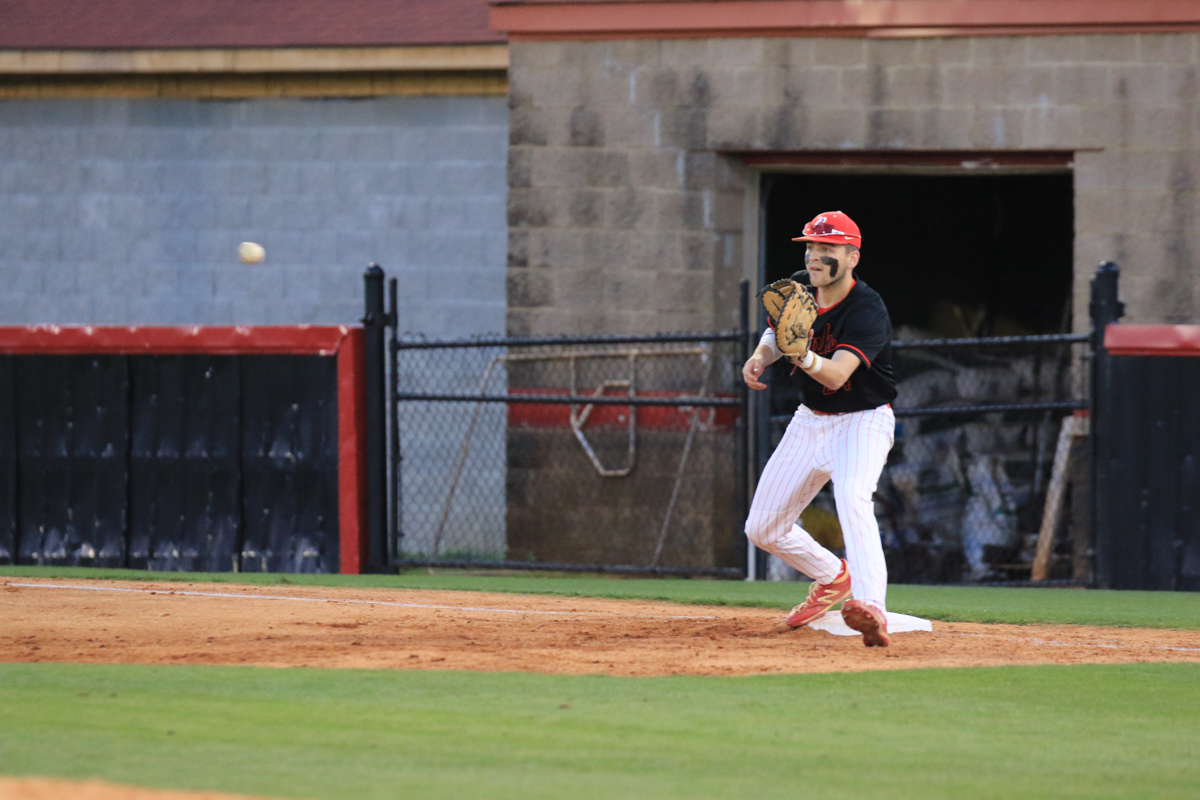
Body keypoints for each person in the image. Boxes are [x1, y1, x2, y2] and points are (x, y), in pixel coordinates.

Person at [742, 211, 898, 647]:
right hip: (810, 420)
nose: (814, 256)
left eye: (826, 248)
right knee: (762, 528)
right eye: (810, 246)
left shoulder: (867, 309)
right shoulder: (801, 285)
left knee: (852, 498)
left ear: (852, 257)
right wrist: (761, 356)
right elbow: (777, 332)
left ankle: (872, 606)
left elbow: (836, 374)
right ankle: (832, 576)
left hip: (863, 420)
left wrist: (803, 356)